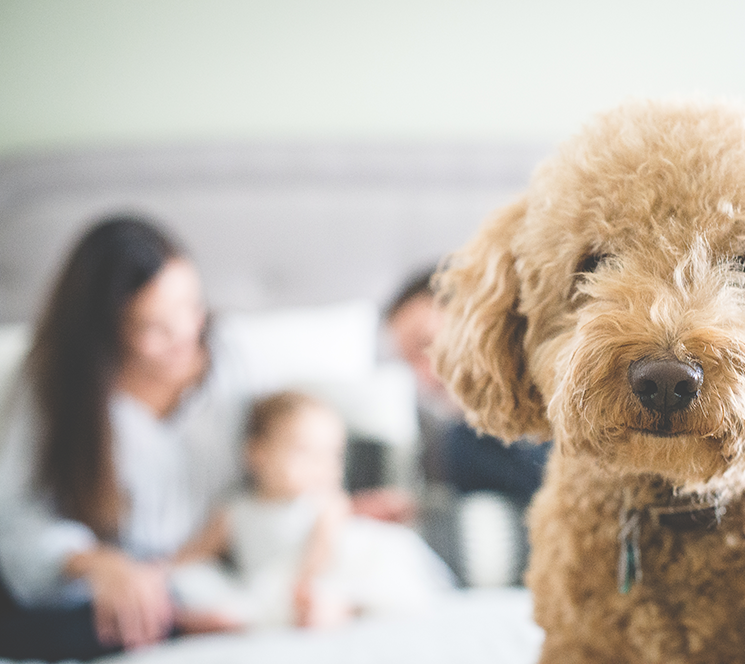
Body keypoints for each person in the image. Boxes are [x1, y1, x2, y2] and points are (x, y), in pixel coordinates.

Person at [0, 215, 249, 660]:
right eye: (153, 328)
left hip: (198, 569)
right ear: (103, 332)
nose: (184, 337)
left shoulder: (233, 369)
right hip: (92, 584)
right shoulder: (49, 383)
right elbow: (18, 519)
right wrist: (101, 565)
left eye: (191, 307)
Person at [170, 390, 454, 629]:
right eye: (304, 451)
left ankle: (346, 608)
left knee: (338, 590)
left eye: (332, 454)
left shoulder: (325, 501)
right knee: (199, 589)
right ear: (257, 454)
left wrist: (305, 582)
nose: (322, 465)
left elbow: (324, 546)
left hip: (324, 572)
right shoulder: (236, 510)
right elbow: (197, 552)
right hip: (267, 586)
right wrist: (162, 570)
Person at [384, 267, 551, 585]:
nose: (425, 375)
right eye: (409, 363)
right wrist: (421, 511)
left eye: (425, 344)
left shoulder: (565, 377)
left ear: (475, 312)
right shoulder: (461, 445)